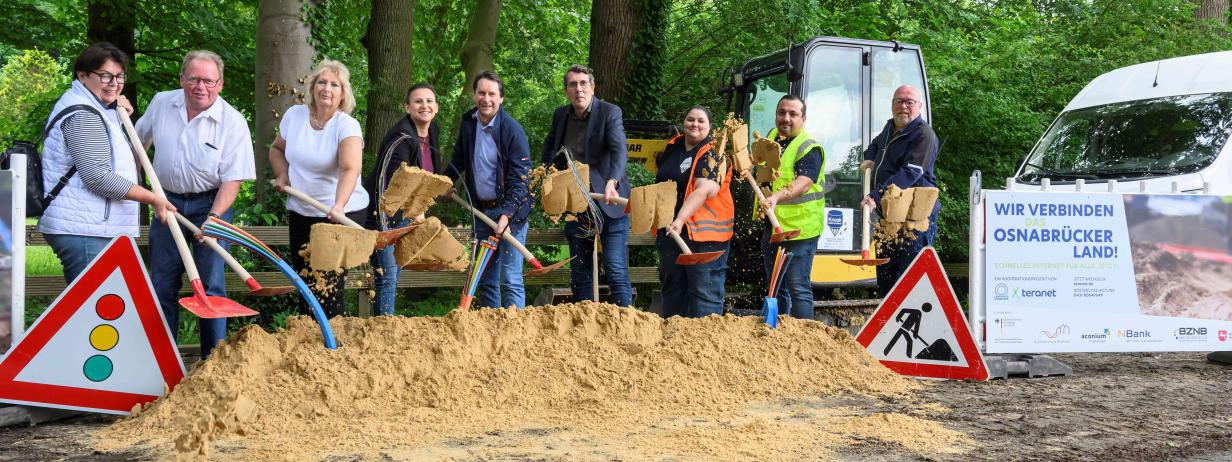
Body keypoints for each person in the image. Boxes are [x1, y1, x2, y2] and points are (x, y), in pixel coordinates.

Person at [135, 50, 255, 358]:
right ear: (182, 79)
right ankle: (162, 360)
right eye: (194, 79)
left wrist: (214, 220)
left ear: (221, 84)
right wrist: (135, 186)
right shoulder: (162, 103)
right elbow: (138, 143)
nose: (201, 86)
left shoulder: (232, 122)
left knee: (212, 285)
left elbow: (233, 180)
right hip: (165, 203)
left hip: (211, 204)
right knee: (162, 283)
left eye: (209, 81)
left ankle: (210, 362)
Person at [38, 42, 175, 284]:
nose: (114, 83)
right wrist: (153, 198)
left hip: (90, 227)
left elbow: (107, 154)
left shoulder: (94, 108)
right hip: (85, 230)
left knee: (94, 309)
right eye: (105, 76)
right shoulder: (82, 114)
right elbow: (98, 176)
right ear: (82, 75)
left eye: (119, 76)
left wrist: (116, 115)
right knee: (88, 310)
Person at [269, 59, 368, 318]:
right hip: (302, 210)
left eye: (335, 84)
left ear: (343, 94)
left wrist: (339, 206)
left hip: (338, 213)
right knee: (305, 280)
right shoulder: (294, 116)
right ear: (312, 87)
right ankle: (307, 341)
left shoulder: (346, 125)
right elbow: (277, 149)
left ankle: (330, 346)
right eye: (322, 82)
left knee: (328, 285)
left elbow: (350, 169)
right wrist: (282, 174)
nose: (327, 88)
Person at [540, 65, 632, 307]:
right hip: (577, 204)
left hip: (609, 199)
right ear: (566, 91)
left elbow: (618, 149)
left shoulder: (609, 112)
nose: (578, 89)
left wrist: (612, 182)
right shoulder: (560, 115)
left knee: (615, 267)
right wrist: (547, 177)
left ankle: (627, 325)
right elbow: (550, 150)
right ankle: (584, 328)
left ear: (592, 87)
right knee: (580, 271)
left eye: (583, 83)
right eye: (573, 84)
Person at [443, 71, 532, 309]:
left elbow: (522, 180)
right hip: (481, 213)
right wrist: (447, 181)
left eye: (492, 94)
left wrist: (508, 215)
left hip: (511, 213)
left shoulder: (513, 131)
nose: (486, 99)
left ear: (501, 98)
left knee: (510, 278)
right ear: (474, 95)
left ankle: (515, 333)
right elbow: (459, 159)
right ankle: (491, 334)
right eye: (481, 93)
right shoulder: (469, 124)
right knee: (487, 279)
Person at [363, 83, 442, 316]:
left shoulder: (431, 132)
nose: (424, 106)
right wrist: (418, 212)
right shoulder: (401, 138)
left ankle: (385, 323)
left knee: (394, 273)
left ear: (436, 107)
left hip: (404, 214)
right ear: (407, 107)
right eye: (418, 101)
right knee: (387, 275)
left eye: (429, 101)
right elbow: (396, 184)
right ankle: (384, 328)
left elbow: (428, 177)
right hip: (382, 213)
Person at [860, 85, 940, 297]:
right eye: (899, 101)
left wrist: (876, 195)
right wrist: (869, 156)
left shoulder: (924, 135)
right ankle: (887, 324)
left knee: (906, 280)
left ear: (919, 106)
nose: (903, 106)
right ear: (892, 105)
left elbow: (910, 173)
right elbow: (876, 146)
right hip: (888, 215)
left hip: (914, 217)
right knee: (885, 279)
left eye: (909, 102)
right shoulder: (889, 129)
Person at [654, 106, 733, 318]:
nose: (694, 124)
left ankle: (703, 345)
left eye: (701, 121)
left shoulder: (715, 153)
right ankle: (673, 340)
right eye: (690, 119)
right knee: (673, 289)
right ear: (683, 122)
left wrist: (680, 219)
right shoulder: (674, 146)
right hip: (671, 233)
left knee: (704, 293)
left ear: (710, 127)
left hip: (705, 236)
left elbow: (704, 190)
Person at [760, 95, 825, 320]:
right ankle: (779, 339)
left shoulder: (808, 147)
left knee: (798, 288)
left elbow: (804, 182)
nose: (786, 118)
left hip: (800, 230)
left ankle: (804, 341)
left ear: (803, 119)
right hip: (773, 227)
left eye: (793, 114)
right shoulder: (770, 139)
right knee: (775, 288)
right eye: (782, 113)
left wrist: (777, 196)